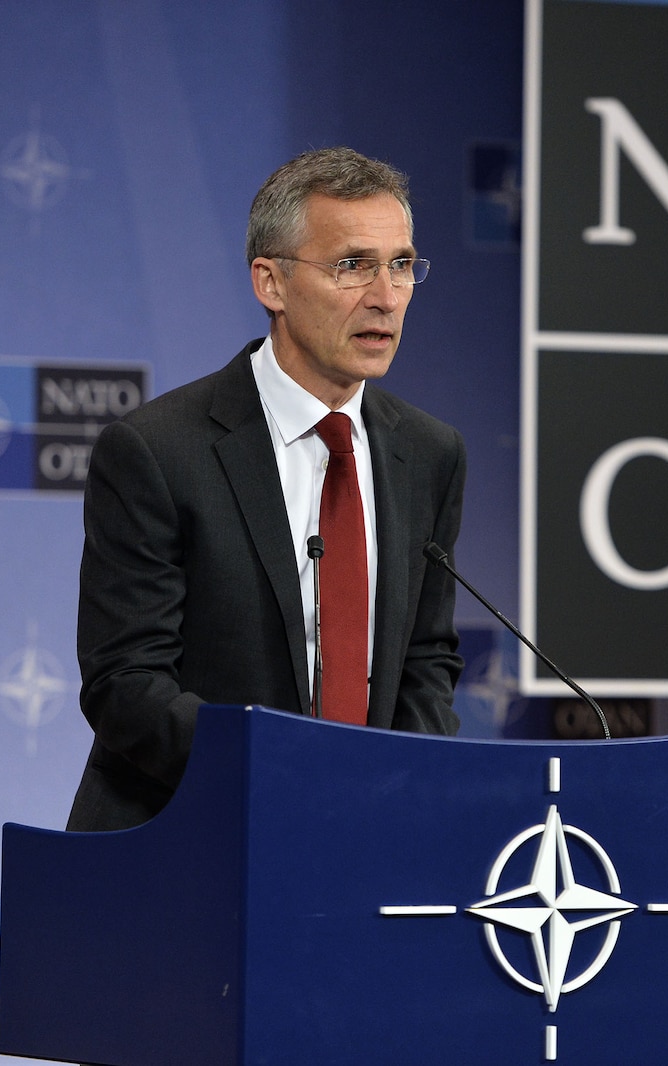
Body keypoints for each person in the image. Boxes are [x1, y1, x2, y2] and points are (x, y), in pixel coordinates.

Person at [66, 147, 466, 833]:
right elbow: (127, 686)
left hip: (363, 840)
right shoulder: (158, 451)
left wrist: (397, 786)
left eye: (401, 265)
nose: (385, 296)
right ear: (270, 283)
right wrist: (289, 780)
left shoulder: (429, 453)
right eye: (352, 265)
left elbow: (425, 659)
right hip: (187, 840)